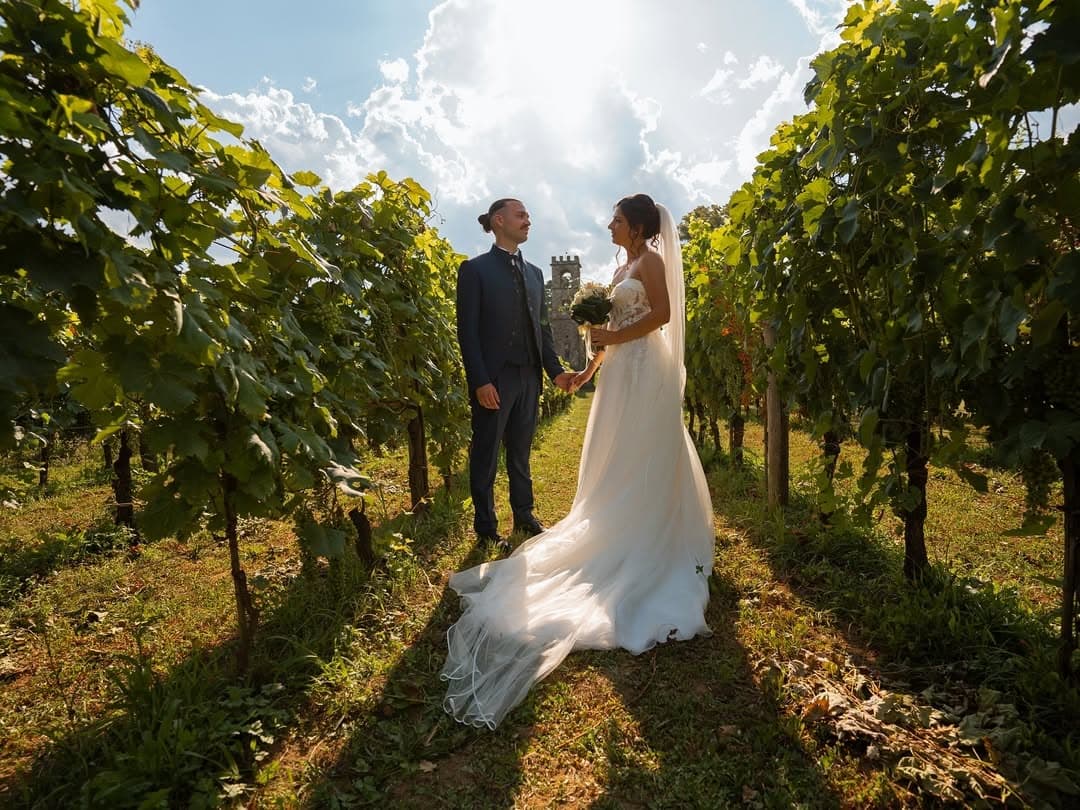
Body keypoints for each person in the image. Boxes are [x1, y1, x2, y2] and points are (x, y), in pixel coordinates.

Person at [441, 194, 715, 729]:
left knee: (644, 452)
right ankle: (506, 522)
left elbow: (658, 315)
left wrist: (604, 340)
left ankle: (646, 532)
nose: (609, 223)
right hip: (612, 374)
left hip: (645, 371)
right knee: (614, 457)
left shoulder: (650, 262)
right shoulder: (616, 267)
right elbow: (598, 337)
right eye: (519, 213)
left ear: (635, 225)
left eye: (615, 218)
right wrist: (585, 372)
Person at [456, 198, 576, 551]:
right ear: (499, 220)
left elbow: (544, 330)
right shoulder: (475, 270)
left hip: (528, 379)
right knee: (487, 454)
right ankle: (487, 527)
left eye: (528, 215)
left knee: (521, 453)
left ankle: (524, 514)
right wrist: (480, 380)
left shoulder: (537, 274)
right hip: (494, 380)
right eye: (521, 215)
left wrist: (555, 373)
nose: (528, 220)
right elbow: (468, 332)